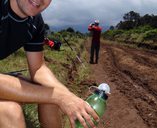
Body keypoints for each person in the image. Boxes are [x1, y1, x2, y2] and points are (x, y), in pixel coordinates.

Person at [0, 0, 99, 128]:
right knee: (11, 111)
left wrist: (65, 95)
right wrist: (58, 96)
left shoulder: (35, 22)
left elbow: (38, 68)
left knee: (50, 91)